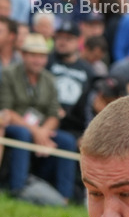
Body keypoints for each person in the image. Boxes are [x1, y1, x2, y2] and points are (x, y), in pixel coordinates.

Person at [0, 33, 77, 201]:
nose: (38, 60)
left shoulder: (49, 79)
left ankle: (66, 196)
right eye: (33, 55)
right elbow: (7, 110)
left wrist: (42, 132)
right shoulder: (9, 74)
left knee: (67, 141)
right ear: (23, 55)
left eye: (42, 56)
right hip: (14, 125)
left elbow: (54, 113)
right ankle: (17, 189)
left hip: (42, 128)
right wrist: (36, 131)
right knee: (23, 134)